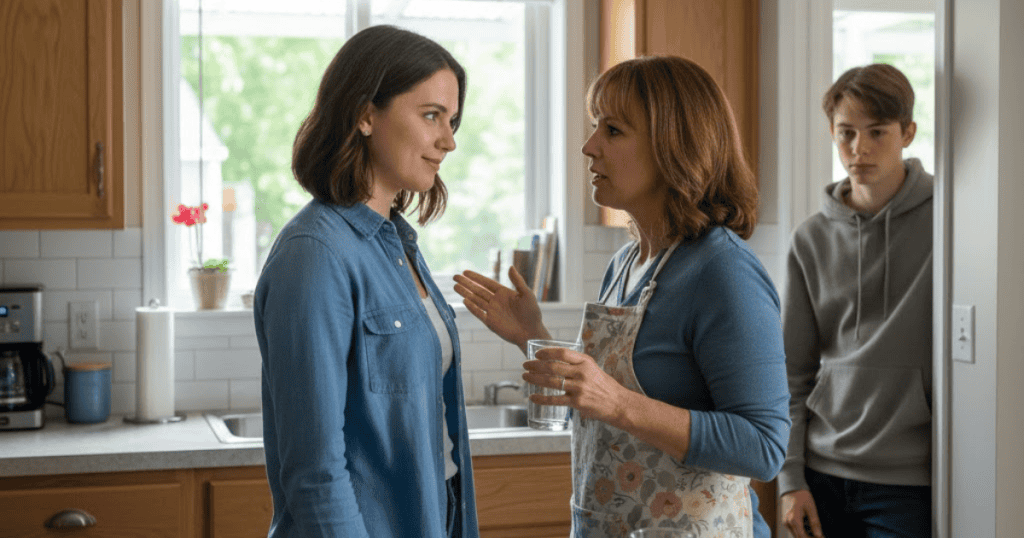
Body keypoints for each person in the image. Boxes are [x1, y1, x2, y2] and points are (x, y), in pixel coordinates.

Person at [454, 55, 790, 538]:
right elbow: (603, 395)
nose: (589, 147)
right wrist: (534, 335)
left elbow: (763, 445)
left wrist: (617, 403)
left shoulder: (723, 272)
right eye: (596, 127)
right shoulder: (627, 262)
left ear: (673, 146)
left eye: (613, 131)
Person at [253, 25, 479, 538]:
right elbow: (315, 474)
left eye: (452, 120)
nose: (449, 140)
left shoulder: (395, 244)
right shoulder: (314, 256)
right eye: (431, 116)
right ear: (365, 114)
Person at [778, 63, 934, 538]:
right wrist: (790, 478)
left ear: (907, 132)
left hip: (907, 481)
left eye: (877, 132)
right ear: (831, 132)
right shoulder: (809, 239)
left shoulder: (949, 224)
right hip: (821, 473)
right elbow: (792, 371)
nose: (858, 149)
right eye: (846, 133)